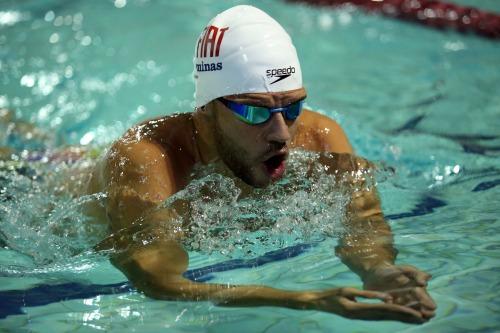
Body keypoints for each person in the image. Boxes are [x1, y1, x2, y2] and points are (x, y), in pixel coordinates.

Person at [87, 5, 436, 324]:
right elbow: (158, 278)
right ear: (206, 108)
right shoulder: (147, 158)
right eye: (255, 110)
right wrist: (300, 299)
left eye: (293, 107)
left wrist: (378, 269)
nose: (282, 134)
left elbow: (362, 223)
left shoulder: (320, 137)